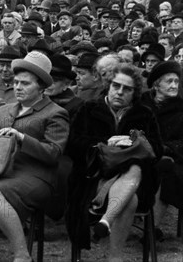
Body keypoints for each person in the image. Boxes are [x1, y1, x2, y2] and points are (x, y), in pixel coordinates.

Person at [0, 51, 69, 262]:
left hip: (37, 175)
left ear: (41, 87)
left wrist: (21, 138)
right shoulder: (4, 109)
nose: (17, 87)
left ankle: (22, 256)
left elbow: (54, 154)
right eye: (16, 82)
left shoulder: (55, 113)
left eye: (25, 84)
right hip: (1, 170)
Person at [66, 63, 162, 262]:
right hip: (93, 177)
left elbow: (157, 150)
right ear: (108, 85)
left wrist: (134, 143)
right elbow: (72, 145)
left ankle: (107, 223)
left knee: (134, 168)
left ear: (134, 93)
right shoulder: (89, 108)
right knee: (130, 199)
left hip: (136, 181)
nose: (120, 92)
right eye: (116, 86)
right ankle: (115, 257)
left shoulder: (144, 113)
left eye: (127, 89)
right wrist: (103, 144)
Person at [140, 61, 183, 238]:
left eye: (176, 81)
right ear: (157, 84)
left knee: (166, 174)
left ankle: (151, 229)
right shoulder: (141, 104)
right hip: (142, 154)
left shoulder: (181, 109)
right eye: (169, 81)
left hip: (173, 158)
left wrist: (166, 148)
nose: (174, 86)